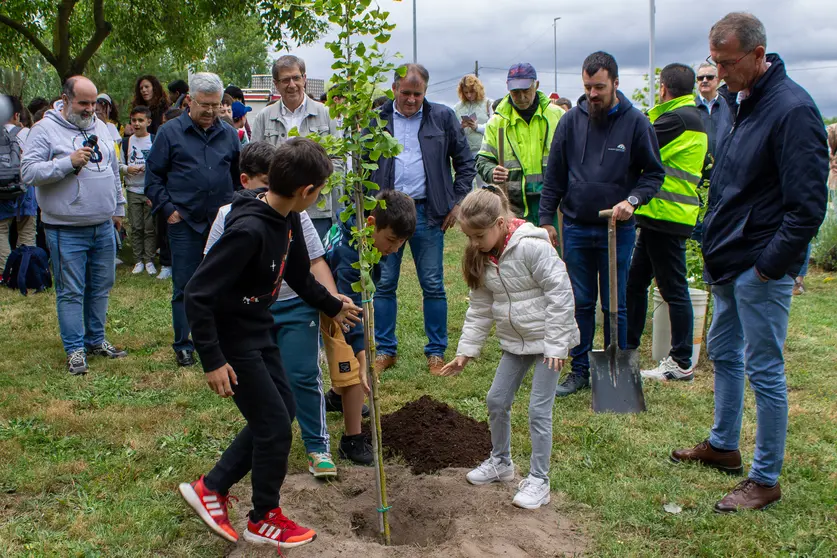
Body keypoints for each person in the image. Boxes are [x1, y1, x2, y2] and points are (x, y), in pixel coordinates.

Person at [671, 13, 828, 513]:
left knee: (765, 368)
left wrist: (768, 267)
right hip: (730, 258)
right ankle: (723, 445)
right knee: (723, 351)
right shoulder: (744, 101)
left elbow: (807, 207)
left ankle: (765, 478)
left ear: (758, 56)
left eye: (726, 63)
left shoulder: (792, 110)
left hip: (758, 265)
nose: (717, 73)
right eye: (713, 62)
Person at [178, 137, 361, 550]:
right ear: (306, 191)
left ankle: (212, 487)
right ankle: (263, 517)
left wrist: (332, 305)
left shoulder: (287, 217)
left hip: (258, 330)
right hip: (233, 339)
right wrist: (212, 359)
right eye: (321, 190)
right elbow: (197, 293)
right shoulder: (249, 230)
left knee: (284, 411)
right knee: (274, 427)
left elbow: (298, 274)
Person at [439, 187, 578, 510]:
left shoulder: (533, 248)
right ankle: (501, 462)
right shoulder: (483, 256)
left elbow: (560, 294)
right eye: (469, 236)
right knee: (496, 400)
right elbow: (480, 307)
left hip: (548, 342)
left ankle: (539, 480)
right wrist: (466, 351)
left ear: (501, 224)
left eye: (478, 235)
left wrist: (557, 346)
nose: (473, 243)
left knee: (538, 410)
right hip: (517, 342)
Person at [539, 51, 665, 397]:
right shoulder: (570, 121)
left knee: (615, 304)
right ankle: (579, 371)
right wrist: (547, 219)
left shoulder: (636, 123)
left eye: (599, 87)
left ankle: (616, 376)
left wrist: (633, 201)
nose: (593, 94)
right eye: (587, 87)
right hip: (577, 227)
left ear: (616, 84)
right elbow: (555, 176)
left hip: (616, 229)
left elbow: (653, 174)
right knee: (579, 302)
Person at [370, 63, 476, 375]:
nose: (412, 99)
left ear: (425, 92)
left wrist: (456, 203)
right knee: (384, 283)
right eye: (406, 93)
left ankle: (435, 352)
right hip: (387, 213)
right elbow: (360, 163)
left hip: (429, 213)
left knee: (432, 284)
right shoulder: (377, 120)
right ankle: (385, 350)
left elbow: (465, 163)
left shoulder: (442, 117)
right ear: (394, 90)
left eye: (418, 93)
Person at [20, 76, 128, 375]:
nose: (90, 109)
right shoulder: (44, 129)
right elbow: (28, 173)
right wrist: (68, 162)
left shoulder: (101, 128)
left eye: (93, 103)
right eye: (83, 103)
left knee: (101, 286)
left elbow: (110, 169)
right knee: (71, 291)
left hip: (103, 225)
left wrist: (118, 207)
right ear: (65, 99)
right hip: (64, 228)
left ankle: (95, 340)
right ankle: (75, 349)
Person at [145, 72, 241, 367]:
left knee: (223, 284)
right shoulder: (169, 133)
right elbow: (153, 178)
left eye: (216, 105)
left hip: (222, 223)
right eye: (205, 105)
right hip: (184, 222)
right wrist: (169, 210)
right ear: (190, 101)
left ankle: (220, 340)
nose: (211, 111)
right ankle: (184, 343)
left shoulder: (228, 135)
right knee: (185, 286)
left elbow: (239, 178)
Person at [626, 63, 708, 381]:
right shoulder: (689, 116)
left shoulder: (677, 119)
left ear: (663, 87)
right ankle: (628, 347)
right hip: (659, 217)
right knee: (636, 283)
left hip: (667, 217)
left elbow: (638, 151)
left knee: (673, 289)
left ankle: (681, 361)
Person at [323, 189, 417, 465]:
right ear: (372, 224)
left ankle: (336, 398)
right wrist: (364, 356)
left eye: (402, 243)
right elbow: (348, 315)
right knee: (352, 368)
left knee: (349, 366)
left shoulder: (356, 229)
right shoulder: (350, 256)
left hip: (345, 302)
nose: (395, 249)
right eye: (391, 240)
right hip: (336, 312)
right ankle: (351, 440)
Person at [250, 55, 342, 240]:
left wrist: (321, 194)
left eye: (296, 78)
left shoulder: (326, 115)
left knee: (316, 263)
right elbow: (254, 163)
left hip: (318, 210)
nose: (291, 84)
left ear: (304, 78)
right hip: (277, 209)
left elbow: (338, 162)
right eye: (285, 80)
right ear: (276, 84)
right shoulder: (264, 117)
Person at [475, 63, 564, 226]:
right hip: (515, 206)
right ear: (508, 89)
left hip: (553, 204)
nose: (521, 97)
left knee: (552, 251)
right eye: (515, 92)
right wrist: (492, 171)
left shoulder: (558, 116)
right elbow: (483, 161)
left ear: (536, 85)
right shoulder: (497, 122)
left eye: (526, 91)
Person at [692, 61, 733, 244]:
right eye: (701, 78)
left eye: (709, 77)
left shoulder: (730, 107)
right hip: (697, 178)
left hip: (724, 176)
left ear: (718, 79)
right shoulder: (690, 109)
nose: (705, 81)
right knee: (697, 226)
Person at [1, 96, 37, 273]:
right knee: (26, 229)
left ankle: (6, 271)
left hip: (2, 189)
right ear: (16, 115)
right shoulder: (27, 133)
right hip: (26, 187)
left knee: (1, 230)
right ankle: (25, 270)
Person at [120, 106, 157, 276]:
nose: (136, 124)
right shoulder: (126, 142)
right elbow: (119, 165)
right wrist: (129, 169)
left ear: (148, 122)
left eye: (140, 120)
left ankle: (149, 259)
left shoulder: (155, 140)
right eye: (134, 120)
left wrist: (147, 169)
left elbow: (159, 165)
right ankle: (138, 260)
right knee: (136, 226)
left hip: (149, 189)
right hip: (133, 189)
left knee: (149, 227)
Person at [454, 74, 493, 186]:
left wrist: (477, 127)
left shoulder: (488, 103)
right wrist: (460, 127)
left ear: (478, 90)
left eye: (471, 92)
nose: (469, 95)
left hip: (484, 151)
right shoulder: (457, 107)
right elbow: (453, 130)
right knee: (466, 186)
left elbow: (493, 128)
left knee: (485, 186)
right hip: (465, 152)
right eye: (466, 92)